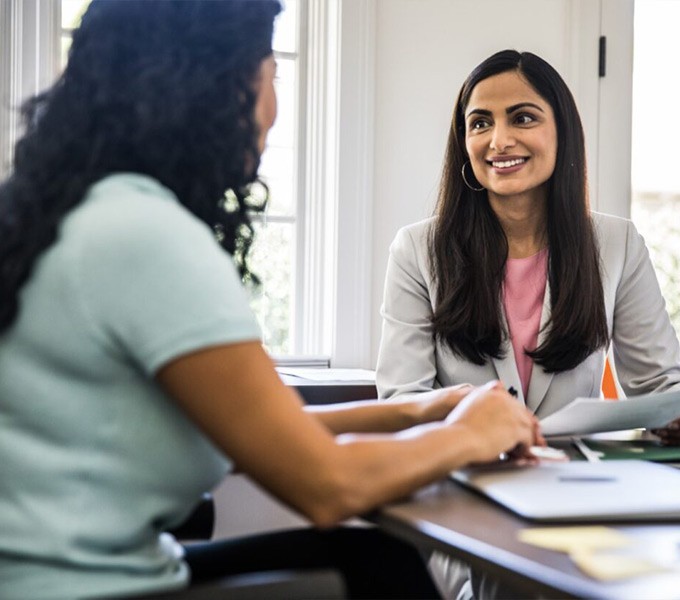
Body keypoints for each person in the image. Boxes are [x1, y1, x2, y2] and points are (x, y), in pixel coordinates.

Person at [0, 5, 546, 599]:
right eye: (271, 76)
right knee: (378, 569)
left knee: (374, 560)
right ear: (218, 87)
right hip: (87, 587)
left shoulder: (81, 213)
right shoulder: (145, 237)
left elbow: (257, 427)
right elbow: (327, 486)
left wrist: (414, 413)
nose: (274, 109)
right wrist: (470, 433)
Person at [374, 49, 680, 599]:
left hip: (583, 507)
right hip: (466, 508)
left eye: (522, 117)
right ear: (462, 142)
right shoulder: (418, 250)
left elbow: (661, 384)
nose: (498, 140)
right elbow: (402, 403)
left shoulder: (615, 244)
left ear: (561, 131)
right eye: (480, 123)